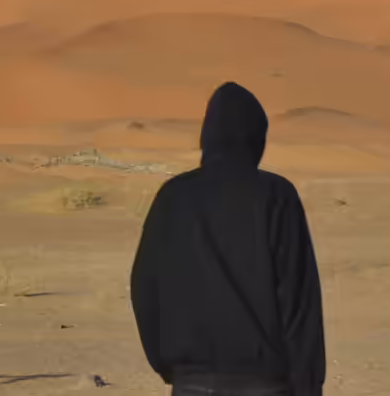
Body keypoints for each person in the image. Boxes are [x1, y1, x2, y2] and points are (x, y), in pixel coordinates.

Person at [130, 81, 326, 396]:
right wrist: (308, 386)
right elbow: (298, 298)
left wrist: (169, 366)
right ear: (256, 137)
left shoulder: (174, 196)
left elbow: (145, 288)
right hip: (264, 384)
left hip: (192, 383)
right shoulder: (275, 195)